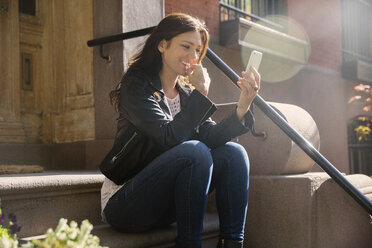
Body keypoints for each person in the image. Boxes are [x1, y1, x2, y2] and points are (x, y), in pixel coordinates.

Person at [99, 13, 261, 248]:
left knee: (234, 154)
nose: (193, 56)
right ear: (162, 44)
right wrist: (201, 95)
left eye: (197, 50)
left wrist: (243, 104)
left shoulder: (186, 95)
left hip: (165, 204)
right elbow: (168, 137)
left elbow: (211, 137)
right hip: (125, 203)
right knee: (195, 151)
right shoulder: (137, 85)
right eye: (186, 46)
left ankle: (232, 244)